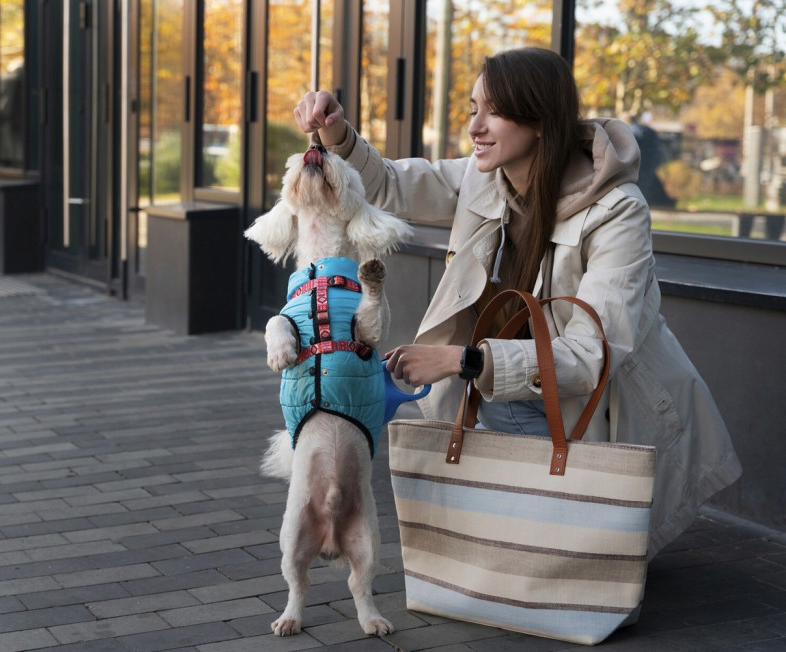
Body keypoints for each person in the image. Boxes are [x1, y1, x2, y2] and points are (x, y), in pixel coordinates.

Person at [293, 47, 741, 558]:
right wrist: (336, 133)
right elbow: (391, 185)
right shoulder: (485, 177)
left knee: (534, 510)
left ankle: (549, 556)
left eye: (494, 111)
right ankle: (529, 553)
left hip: (592, 399)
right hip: (510, 386)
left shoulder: (618, 211)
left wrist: (460, 359)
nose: (475, 127)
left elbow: (591, 353)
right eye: (471, 108)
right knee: (486, 466)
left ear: (540, 121)